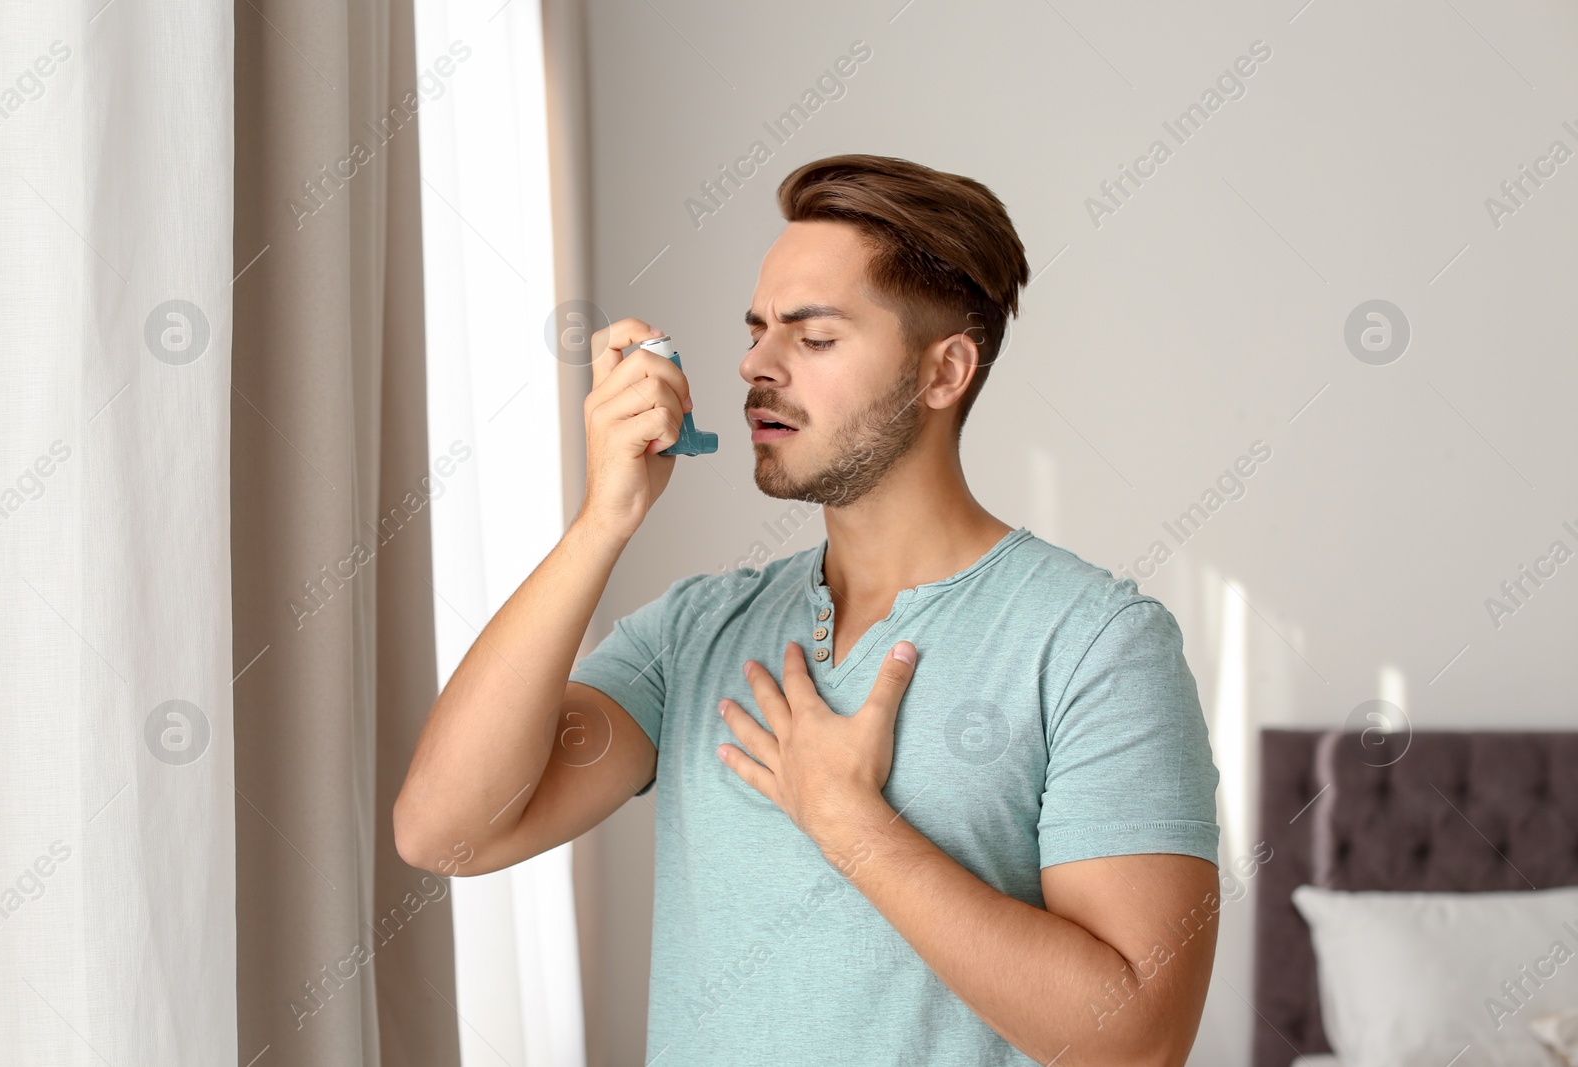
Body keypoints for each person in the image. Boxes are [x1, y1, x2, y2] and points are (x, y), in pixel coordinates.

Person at [395, 153, 1222, 1066]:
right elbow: (447, 832)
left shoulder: (1096, 644)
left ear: (944, 371)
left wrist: (848, 820)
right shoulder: (694, 632)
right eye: (756, 331)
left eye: (813, 337)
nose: (755, 363)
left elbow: (1138, 1042)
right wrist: (604, 521)